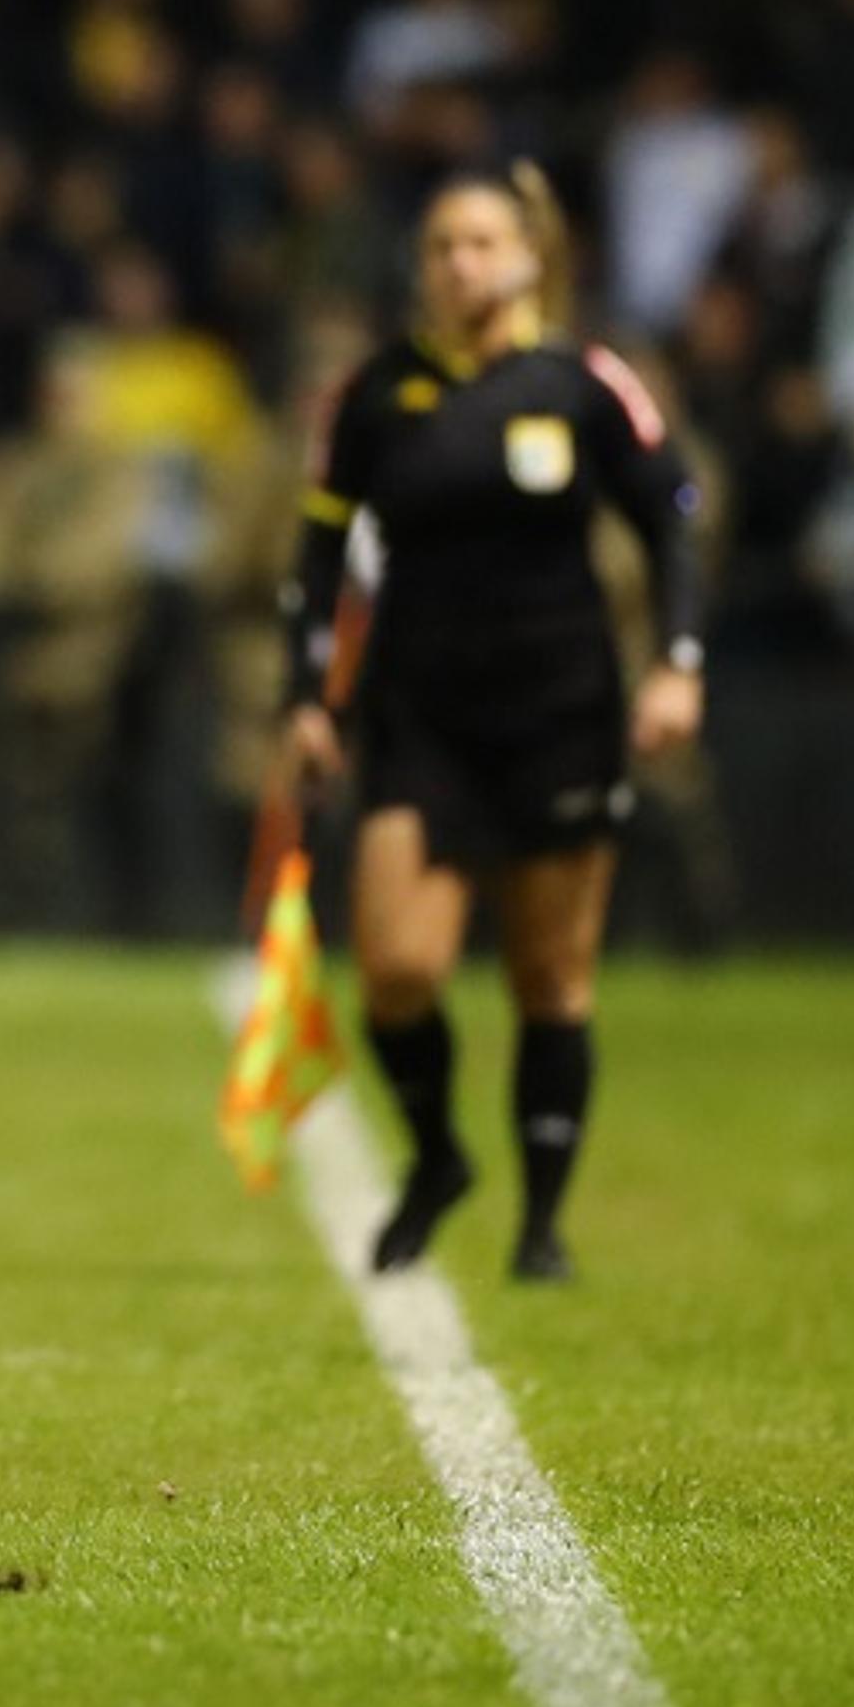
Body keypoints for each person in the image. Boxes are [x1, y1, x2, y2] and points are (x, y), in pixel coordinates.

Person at [279, 166, 704, 1283]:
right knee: (399, 970)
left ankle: (543, 1225)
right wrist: (307, 700)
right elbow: (320, 556)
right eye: (441, 245)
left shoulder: (583, 383)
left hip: (560, 709)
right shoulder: (378, 393)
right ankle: (437, 1155)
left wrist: (678, 664)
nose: (460, 263)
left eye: (480, 242)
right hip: (419, 713)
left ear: (527, 257)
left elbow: (674, 517)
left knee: (551, 977)